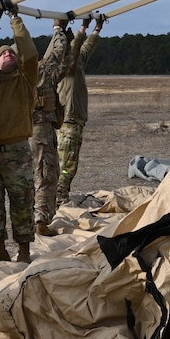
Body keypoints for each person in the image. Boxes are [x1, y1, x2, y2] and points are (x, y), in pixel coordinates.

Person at [0, 6, 39, 267]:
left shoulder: (25, 79)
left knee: (22, 201)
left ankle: (23, 249)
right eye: (3, 53)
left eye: (12, 52)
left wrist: (15, 20)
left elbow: (30, 53)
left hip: (16, 151)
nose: (8, 53)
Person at [56, 14, 106, 206]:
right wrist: (82, 28)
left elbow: (86, 48)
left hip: (75, 122)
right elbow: (77, 48)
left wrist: (97, 29)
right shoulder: (65, 65)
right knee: (66, 165)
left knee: (70, 164)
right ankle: (59, 198)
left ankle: (61, 195)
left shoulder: (77, 63)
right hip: (68, 122)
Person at [31, 12, 74, 236]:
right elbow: (57, 56)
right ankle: (40, 221)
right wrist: (59, 30)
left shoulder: (26, 74)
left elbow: (65, 65)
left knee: (43, 173)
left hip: (35, 131)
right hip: (39, 132)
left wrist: (69, 41)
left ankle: (39, 218)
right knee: (45, 174)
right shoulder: (37, 72)